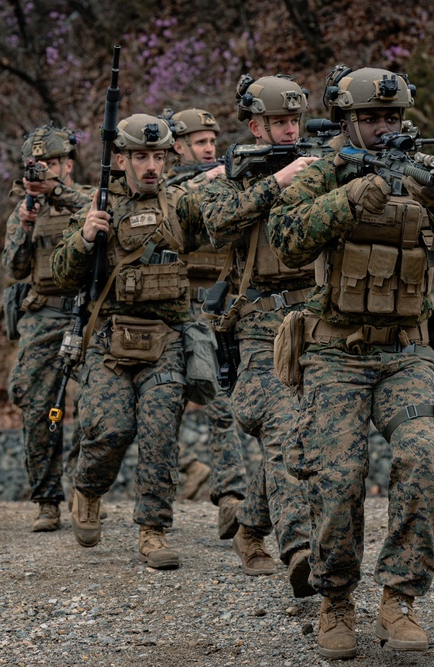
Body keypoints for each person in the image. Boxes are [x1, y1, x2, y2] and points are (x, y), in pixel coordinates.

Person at [267, 66, 434, 658]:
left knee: (421, 454)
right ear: (346, 121)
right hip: (335, 354)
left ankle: (400, 598)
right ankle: (335, 601)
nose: (382, 127)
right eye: (369, 118)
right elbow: (285, 237)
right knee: (337, 479)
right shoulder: (323, 169)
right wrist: (347, 198)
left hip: (408, 353)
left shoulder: (424, 170)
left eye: (391, 117)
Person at [50, 113, 209, 569]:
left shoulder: (181, 203)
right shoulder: (97, 207)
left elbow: (226, 219)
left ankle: (153, 530)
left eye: (158, 156)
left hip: (166, 341)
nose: (151, 166)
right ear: (120, 159)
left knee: (160, 434)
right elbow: (62, 275)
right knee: (110, 429)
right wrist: (83, 238)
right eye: (140, 156)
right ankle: (87, 488)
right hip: (108, 342)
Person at [200, 74, 319, 596]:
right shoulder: (230, 175)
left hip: (317, 321)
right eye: (278, 122)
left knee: (307, 440)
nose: (290, 129)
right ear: (255, 125)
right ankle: (300, 551)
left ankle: (251, 525)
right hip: (257, 328)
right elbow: (218, 222)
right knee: (284, 430)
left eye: (294, 120)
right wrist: (279, 182)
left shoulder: (321, 164)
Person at [3, 123, 94, 531]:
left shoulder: (88, 197)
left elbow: (96, 216)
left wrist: (55, 192)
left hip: (88, 312)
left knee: (95, 405)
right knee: (37, 405)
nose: (46, 171)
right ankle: (46, 500)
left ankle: (86, 491)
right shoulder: (23, 209)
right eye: (38, 165)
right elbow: (13, 268)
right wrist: (23, 227)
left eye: (53, 163)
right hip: (43, 313)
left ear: (68, 164)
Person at [166, 108, 249, 526]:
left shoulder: (230, 181)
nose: (210, 149)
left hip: (217, 313)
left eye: (213, 142)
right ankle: (170, 490)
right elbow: (171, 215)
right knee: (160, 411)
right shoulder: (162, 189)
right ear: (177, 147)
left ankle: (232, 496)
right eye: (200, 143)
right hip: (171, 314)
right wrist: (204, 181)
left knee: (222, 404)